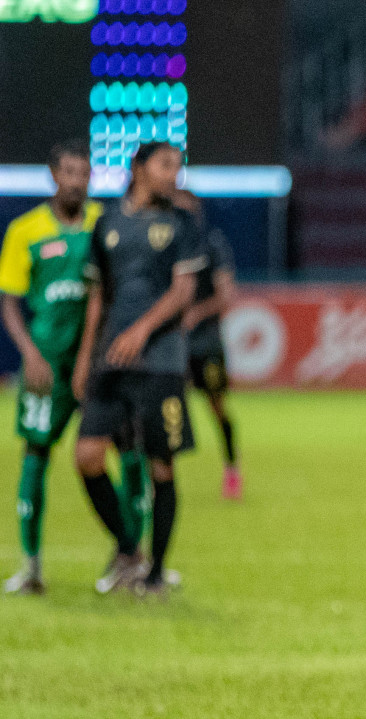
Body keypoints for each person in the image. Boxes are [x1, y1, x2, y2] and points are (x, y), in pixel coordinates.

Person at [73, 142, 205, 596]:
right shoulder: (107, 223)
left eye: (178, 166)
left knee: (161, 467)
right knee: (88, 456)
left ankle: (155, 575)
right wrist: (85, 359)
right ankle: (129, 549)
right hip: (111, 361)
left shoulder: (183, 224)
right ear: (138, 168)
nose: (174, 174)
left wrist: (141, 331)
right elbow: (98, 299)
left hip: (160, 361)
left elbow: (183, 292)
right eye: (166, 164)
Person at [0, 140, 126, 595]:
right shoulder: (25, 230)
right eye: (69, 172)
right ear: (53, 175)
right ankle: (31, 565)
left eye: (84, 173)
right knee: (35, 454)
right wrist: (30, 354)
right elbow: (10, 302)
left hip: (98, 364)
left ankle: (131, 555)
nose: (77, 181)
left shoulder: (106, 225)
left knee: (125, 451)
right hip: (46, 364)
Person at [172, 188, 242, 500]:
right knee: (166, 407)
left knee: (217, 407)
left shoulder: (211, 244)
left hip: (205, 342)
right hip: (171, 344)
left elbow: (226, 295)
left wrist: (195, 314)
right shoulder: (164, 245)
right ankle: (162, 478)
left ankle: (231, 469)